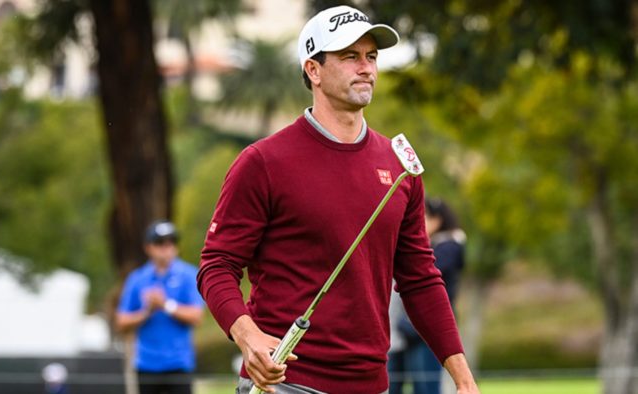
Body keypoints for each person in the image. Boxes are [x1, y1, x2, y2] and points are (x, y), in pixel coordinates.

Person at [197, 5, 479, 394]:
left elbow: (421, 279)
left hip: (372, 385)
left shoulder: (400, 165)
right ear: (313, 70)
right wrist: (248, 337)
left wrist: (463, 379)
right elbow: (217, 265)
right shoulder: (262, 162)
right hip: (286, 384)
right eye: (350, 57)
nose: (366, 68)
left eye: (372, 57)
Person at [388, 198, 467, 394]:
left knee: (425, 387)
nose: (421, 222)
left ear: (438, 219)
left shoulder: (448, 246)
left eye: (425, 217)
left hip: (424, 329)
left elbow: (423, 277)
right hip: (404, 329)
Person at [117, 220, 204, 394]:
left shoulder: (188, 275)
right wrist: (146, 311)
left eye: (170, 242)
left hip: (178, 363)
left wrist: (165, 305)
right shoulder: (137, 279)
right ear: (148, 248)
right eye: (159, 243)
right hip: (147, 364)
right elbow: (121, 322)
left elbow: (196, 316)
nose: (166, 248)